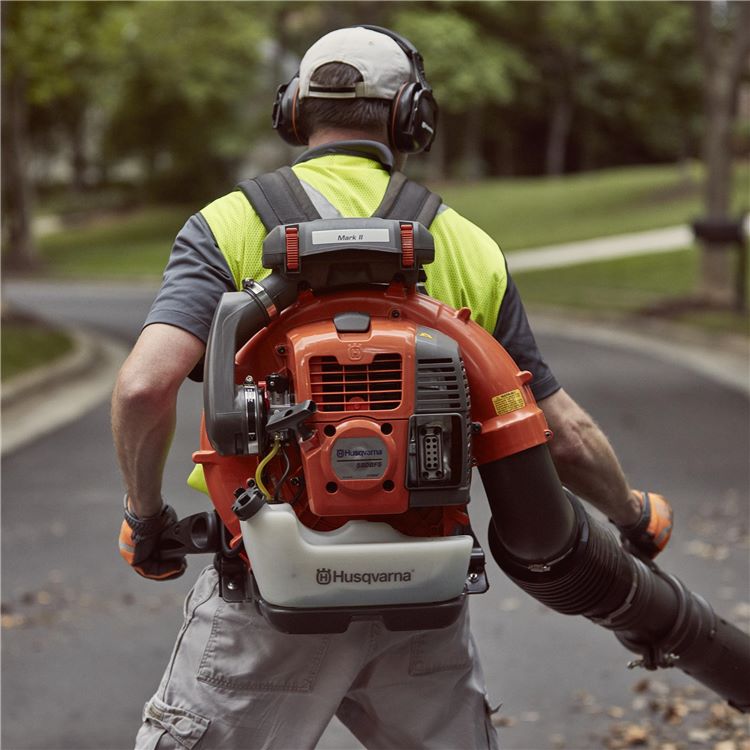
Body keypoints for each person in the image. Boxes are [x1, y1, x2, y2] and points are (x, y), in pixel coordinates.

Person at [113, 25, 674, 749]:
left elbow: (143, 388)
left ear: (294, 112)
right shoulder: (467, 245)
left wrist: (145, 513)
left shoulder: (227, 226)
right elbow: (558, 431)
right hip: (422, 600)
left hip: (271, 593)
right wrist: (633, 516)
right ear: (414, 116)